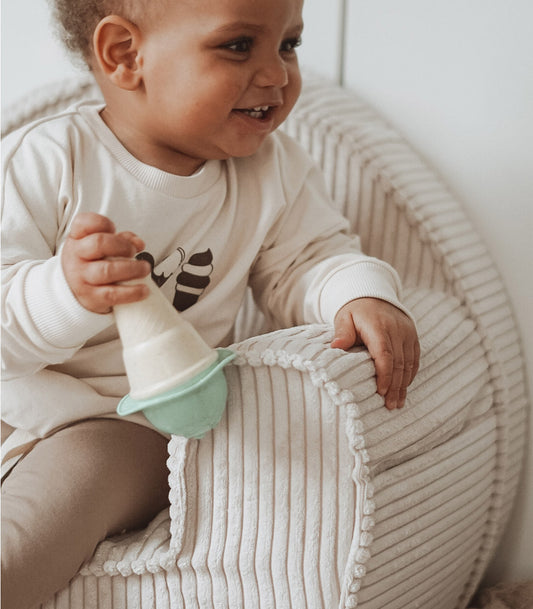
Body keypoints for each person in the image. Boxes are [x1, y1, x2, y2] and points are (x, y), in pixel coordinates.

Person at [1, 0, 420, 606]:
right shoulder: (45, 161)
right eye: (239, 46)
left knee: (62, 496)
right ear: (125, 55)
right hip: (17, 402)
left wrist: (360, 292)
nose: (277, 74)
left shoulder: (272, 172)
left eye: (289, 45)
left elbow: (306, 261)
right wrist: (64, 295)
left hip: (119, 423)